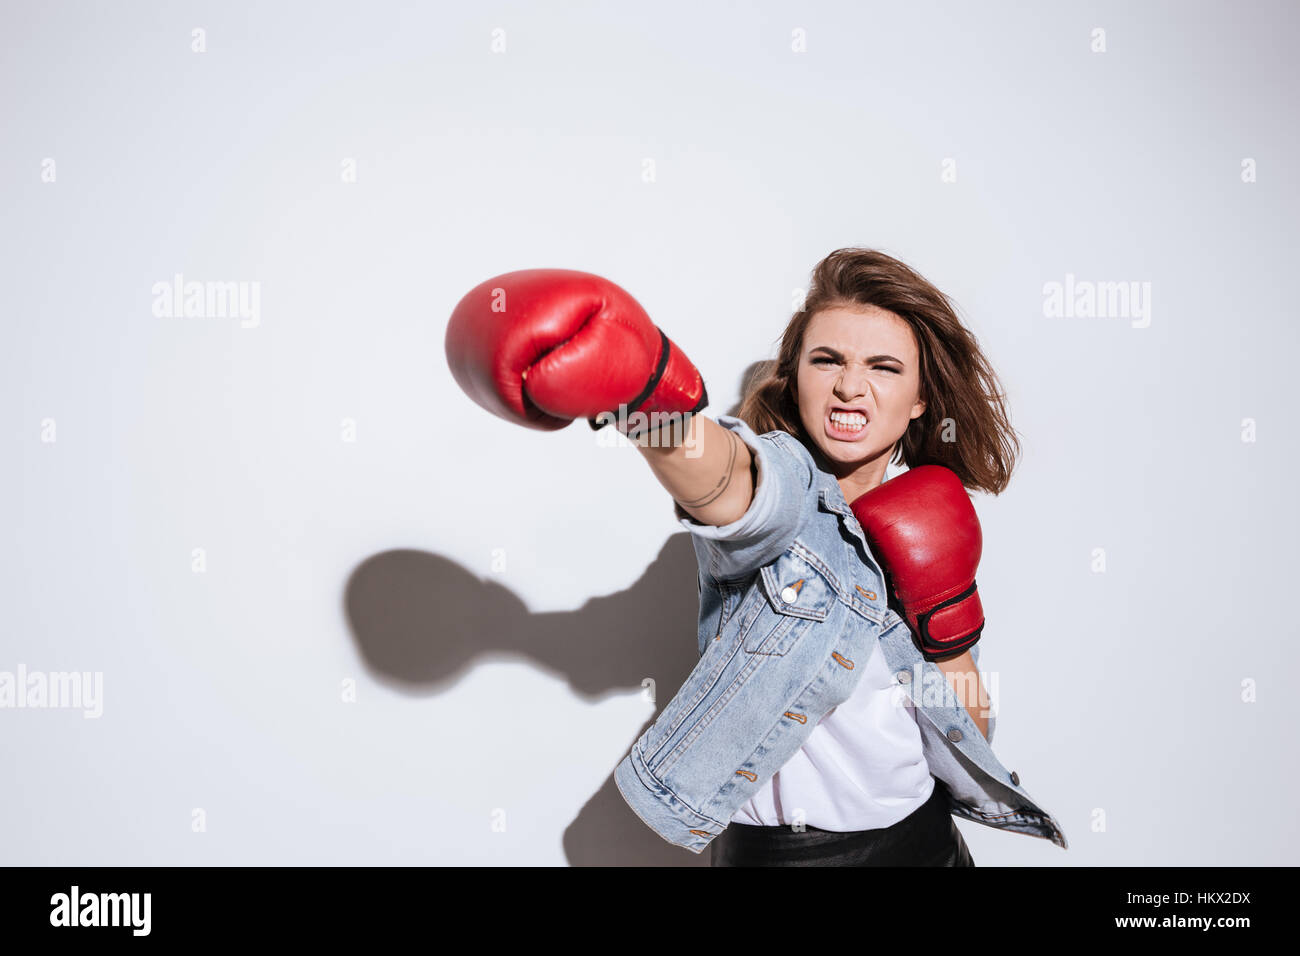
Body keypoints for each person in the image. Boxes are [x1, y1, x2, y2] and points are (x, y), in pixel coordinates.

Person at [444, 248, 1068, 865]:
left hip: (928, 842)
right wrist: (646, 399)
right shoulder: (787, 486)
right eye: (827, 361)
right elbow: (725, 479)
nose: (850, 386)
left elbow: (970, 736)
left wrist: (948, 618)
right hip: (789, 857)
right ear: (796, 378)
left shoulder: (931, 512)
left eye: (883, 367)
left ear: (920, 398)